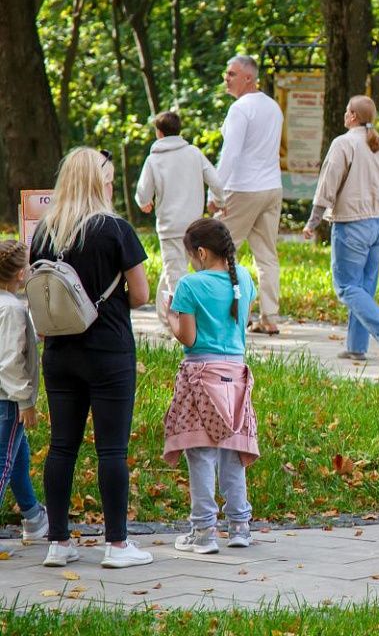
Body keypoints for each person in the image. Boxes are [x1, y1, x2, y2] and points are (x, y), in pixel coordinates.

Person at [30, 147, 152, 569]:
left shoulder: (45, 232)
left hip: (59, 351)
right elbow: (141, 293)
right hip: (108, 350)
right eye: (110, 180)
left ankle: (58, 542)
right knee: (111, 449)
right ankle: (117, 545)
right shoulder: (116, 229)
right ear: (100, 183)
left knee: (61, 446)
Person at [165, 218, 259, 554]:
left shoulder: (190, 285)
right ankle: (240, 526)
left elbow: (188, 337)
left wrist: (170, 316)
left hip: (200, 377)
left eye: (191, 254)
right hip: (236, 376)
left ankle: (204, 531)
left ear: (202, 252)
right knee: (232, 453)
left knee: (201, 453)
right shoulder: (243, 278)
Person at [303, 95, 379, 364]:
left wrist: (313, 221)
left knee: (346, 286)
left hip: (354, 225)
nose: (345, 114)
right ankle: (356, 348)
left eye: (348, 111)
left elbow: (327, 184)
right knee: (364, 287)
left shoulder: (343, 143)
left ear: (353, 116)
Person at [214, 54, 284, 335]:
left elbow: (230, 153)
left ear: (248, 78)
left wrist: (215, 192)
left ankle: (222, 311)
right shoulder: (273, 107)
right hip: (271, 188)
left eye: (231, 74)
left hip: (243, 189)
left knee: (216, 250)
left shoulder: (240, 109)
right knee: (267, 256)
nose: (226, 78)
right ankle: (269, 317)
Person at [135, 110, 224, 330]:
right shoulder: (194, 153)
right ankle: (168, 319)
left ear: (159, 132)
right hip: (196, 228)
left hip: (170, 227)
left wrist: (144, 203)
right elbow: (216, 181)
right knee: (192, 272)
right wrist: (219, 201)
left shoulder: (154, 160)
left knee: (175, 276)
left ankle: (180, 328)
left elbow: (143, 193)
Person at [0, 240, 49, 545]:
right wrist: (24, 401)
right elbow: (10, 361)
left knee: (17, 453)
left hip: (5, 395)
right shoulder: (13, 309)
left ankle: (33, 516)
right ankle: (34, 517)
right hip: (7, 399)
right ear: (21, 274)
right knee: (3, 463)